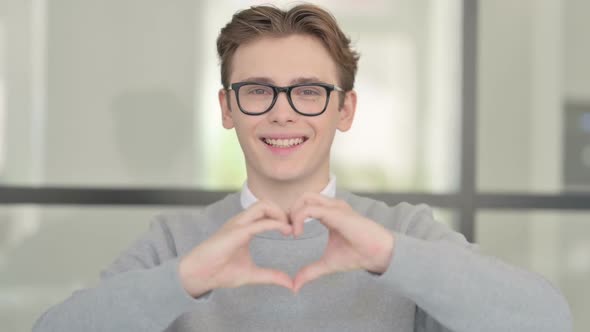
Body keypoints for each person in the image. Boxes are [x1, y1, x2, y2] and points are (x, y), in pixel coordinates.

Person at [33, 3, 572, 332]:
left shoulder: (402, 233)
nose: (282, 110)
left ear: (345, 110)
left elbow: (548, 321)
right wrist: (186, 280)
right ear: (227, 109)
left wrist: (389, 256)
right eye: (257, 91)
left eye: (309, 91)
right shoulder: (177, 242)